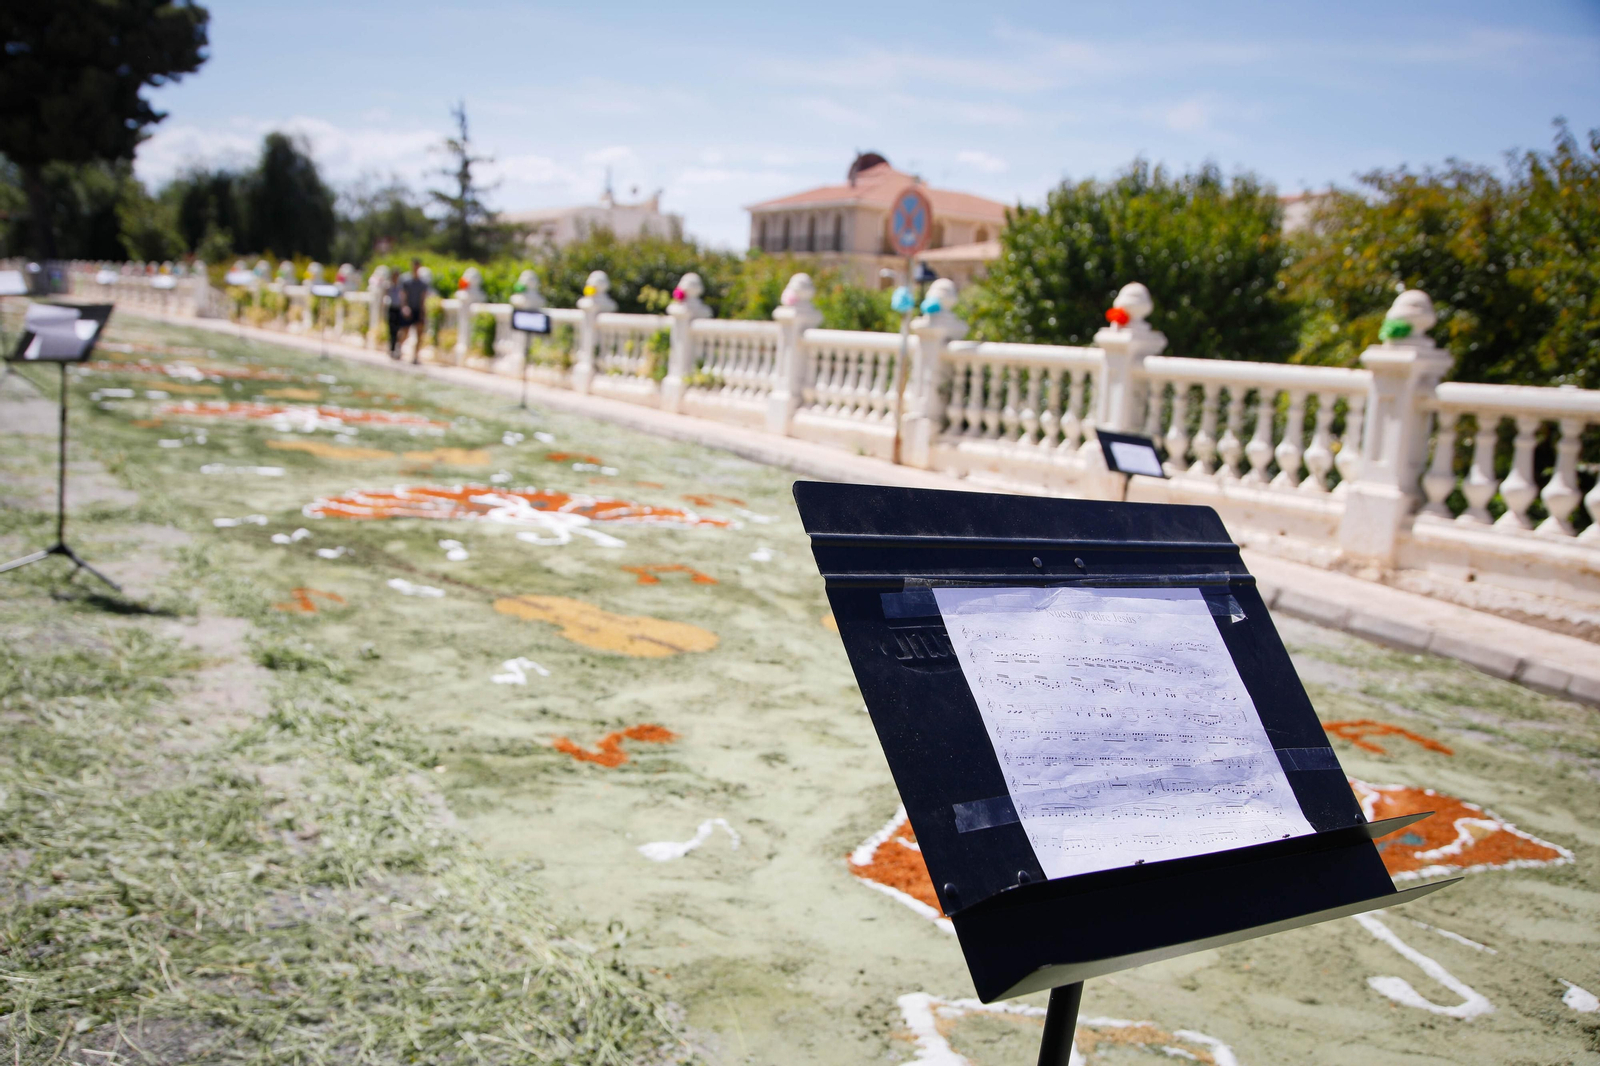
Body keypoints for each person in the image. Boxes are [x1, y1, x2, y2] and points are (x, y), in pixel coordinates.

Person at [400, 258, 430, 364]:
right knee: (405, 331)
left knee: (419, 334)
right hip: (409, 309)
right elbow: (403, 295)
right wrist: (404, 307)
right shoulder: (406, 281)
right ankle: (399, 349)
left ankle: (415, 356)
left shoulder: (423, 283)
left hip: (418, 310)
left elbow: (423, 298)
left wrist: (423, 312)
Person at [386, 269, 407, 359]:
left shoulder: (400, 287)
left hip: (398, 309)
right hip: (391, 308)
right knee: (392, 329)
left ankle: (397, 348)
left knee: (399, 329)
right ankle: (391, 348)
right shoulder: (389, 286)